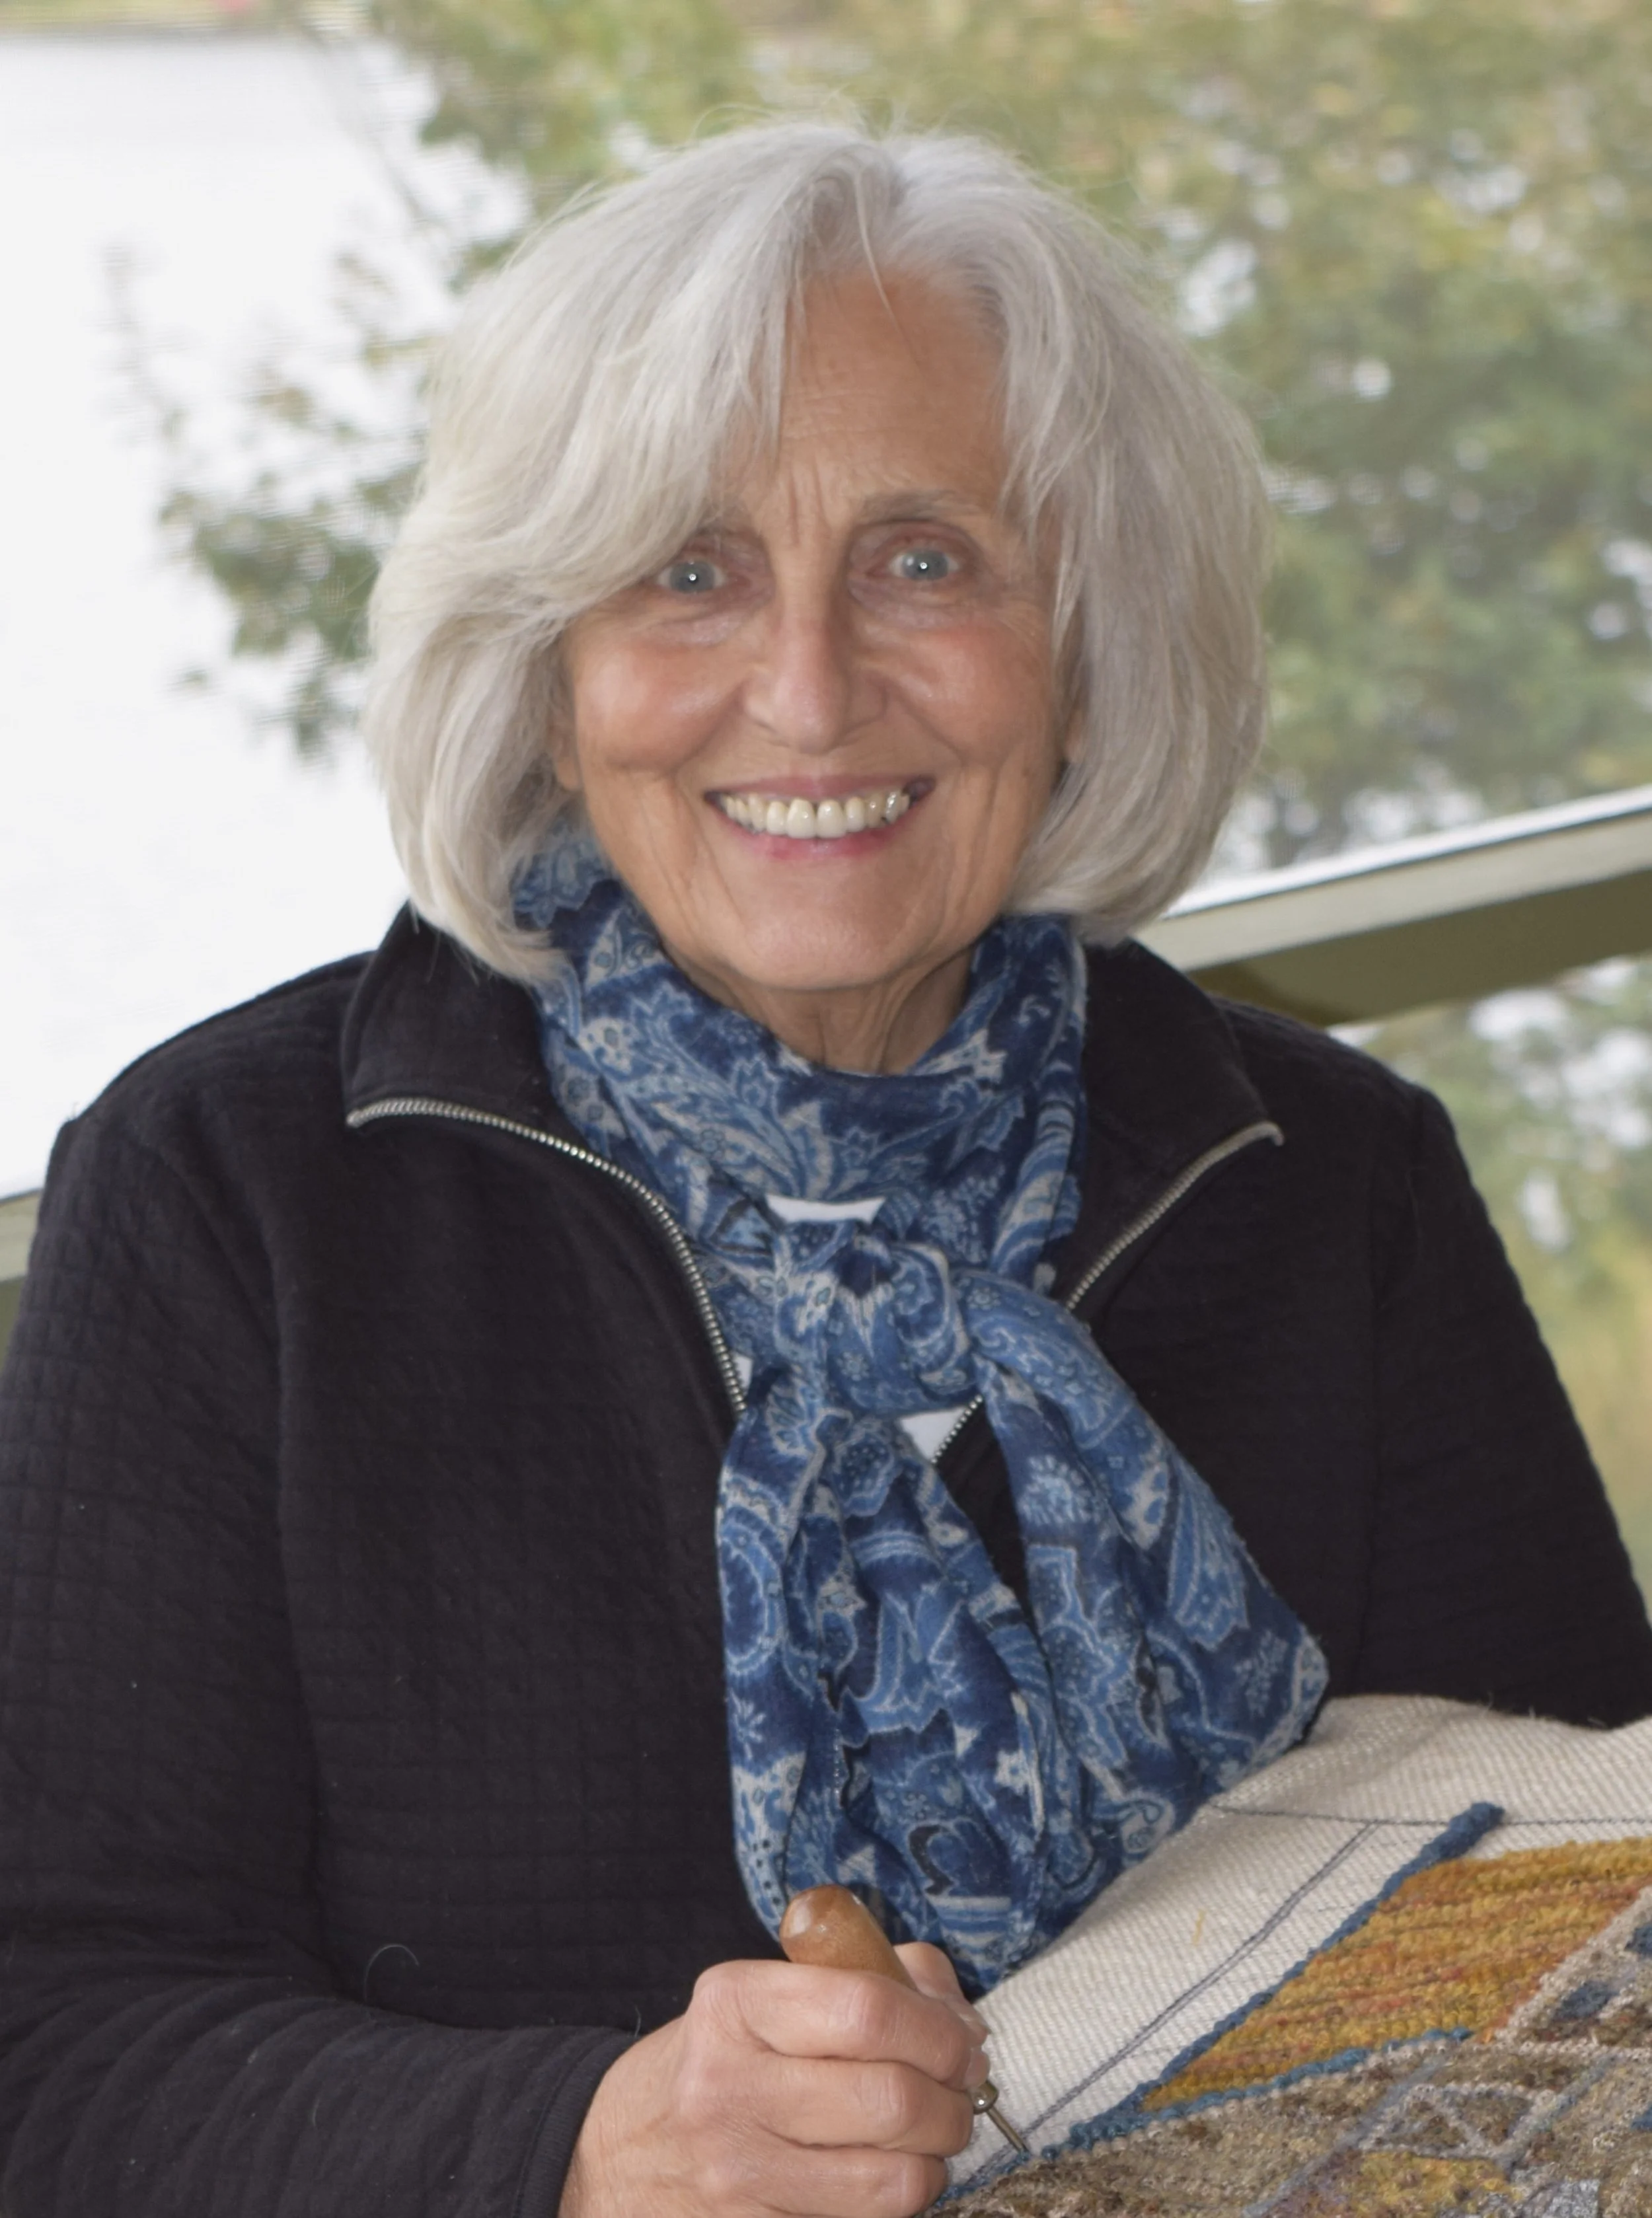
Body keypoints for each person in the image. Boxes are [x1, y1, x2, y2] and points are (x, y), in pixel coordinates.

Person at [0, 121, 1647, 2218]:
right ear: (547, 665)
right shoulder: (236, 1189)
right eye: (686, 570)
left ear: (1083, 637)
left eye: (924, 559)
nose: (803, 687)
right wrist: (575, 2144)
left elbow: (1600, 1891)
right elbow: (51, 2042)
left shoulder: (1329, 1175)